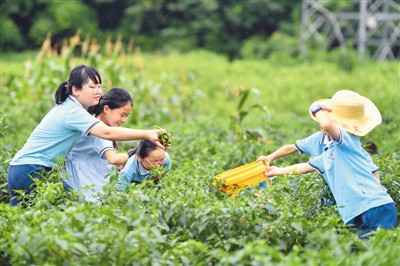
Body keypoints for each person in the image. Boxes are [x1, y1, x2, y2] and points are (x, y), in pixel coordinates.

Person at [7, 65, 163, 206]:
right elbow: (106, 132)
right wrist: (148, 134)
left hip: (21, 167)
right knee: (42, 221)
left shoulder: (72, 109)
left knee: (23, 225)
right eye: (92, 87)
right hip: (32, 169)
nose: (99, 92)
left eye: (99, 86)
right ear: (75, 90)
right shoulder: (72, 111)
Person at [264, 90, 397, 238]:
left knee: (376, 254)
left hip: (376, 208)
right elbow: (303, 167)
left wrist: (318, 110)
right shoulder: (328, 154)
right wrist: (276, 171)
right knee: (361, 256)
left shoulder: (348, 140)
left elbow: (327, 125)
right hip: (355, 213)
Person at [65, 88, 133, 202]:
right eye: (122, 114)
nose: (124, 119)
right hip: (87, 191)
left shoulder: (92, 120)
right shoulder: (100, 129)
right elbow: (113, 159)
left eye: (127, 115)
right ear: (106, 109)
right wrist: (132, 153)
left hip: (82, 187)